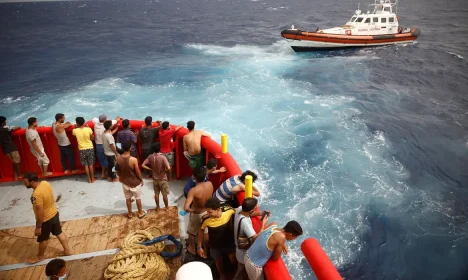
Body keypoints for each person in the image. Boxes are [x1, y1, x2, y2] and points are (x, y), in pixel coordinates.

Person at [23, 172, 72, 263]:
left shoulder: (36, 194)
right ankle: (67, 251)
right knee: (59, 232)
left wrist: (38, 227)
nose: (24, 184)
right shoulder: (45, 183)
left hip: (45, 219)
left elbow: (40, 212)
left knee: (43, 239)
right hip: (54, 213)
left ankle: (40, 257)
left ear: (32, 182)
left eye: (26, 182)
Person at [197, 198, 237, 280]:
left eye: (210, 212)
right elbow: (201, 231)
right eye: (207, 211)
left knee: (233, 260)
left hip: (228, 242)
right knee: (218, 262)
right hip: (215, 245)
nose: (208, 213)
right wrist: (199, 246)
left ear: (218, 209)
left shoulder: (228, 211)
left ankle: (236, 272)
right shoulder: (205, 219)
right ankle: (221, 274)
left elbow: (239, 211)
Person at [233, 198, 268, 280]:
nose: (257, 206)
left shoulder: (240, 209)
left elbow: (249, 214)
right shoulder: (245, 223)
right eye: (256, 206)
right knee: (241, 272)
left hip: (238, 246)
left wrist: (260, 213)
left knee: (240, 269)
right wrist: (263, 224)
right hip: (243, 252)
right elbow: (255, 237)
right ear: (252, 209)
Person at [184, 168, 214, 256]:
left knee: (191, 232)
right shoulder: (210, 184)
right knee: (205, 231)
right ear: (205, 176)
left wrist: (192, 210)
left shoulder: (193, 190)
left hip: (197, 213)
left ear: (194, 177)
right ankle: (205, 251)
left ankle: (193, 249)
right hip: (208, 212)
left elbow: (186, 208)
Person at [115, 142, 146, 219]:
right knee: (138, 198)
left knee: (128, 198)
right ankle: (140, 213)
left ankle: (130, 214)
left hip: (125, 182)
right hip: (134, 182)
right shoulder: (133, 159)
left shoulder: (118, 158)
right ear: (130, 148)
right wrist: (141, 180)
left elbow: (117, 170)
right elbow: (138, 172)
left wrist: (120, 177)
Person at [142, 142, 170, 211]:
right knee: (164, 195)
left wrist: (150, 169)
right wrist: (164, 171)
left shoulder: (150, 156)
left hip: (155, 179)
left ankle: (158, 207)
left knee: (156, 194)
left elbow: (143, 165)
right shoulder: (163, 157)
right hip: (163, 178)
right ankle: (166, 207)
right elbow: (168, 168)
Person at [92, 114, 120, 179]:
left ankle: (103, 174)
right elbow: (116, 120)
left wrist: (116, 129)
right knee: (109, 161)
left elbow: (93, 119)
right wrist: (118, 118)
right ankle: (111, 176)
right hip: (104, 146)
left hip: (98, 146)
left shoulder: (96, 123)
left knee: (102, 161)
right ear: (105, 121)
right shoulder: (106, 127)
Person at [72, 117, 96, 183]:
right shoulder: (88, 129)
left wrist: (75, 127)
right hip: (90, 148)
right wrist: (88, 128)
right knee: (90, 164)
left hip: (82, 149)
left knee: (86, 165)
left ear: (77, 123)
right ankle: (93, 178)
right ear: (84, 122)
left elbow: (75, 136)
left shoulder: (74, 131)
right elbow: (92, 139)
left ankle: (89, 179)